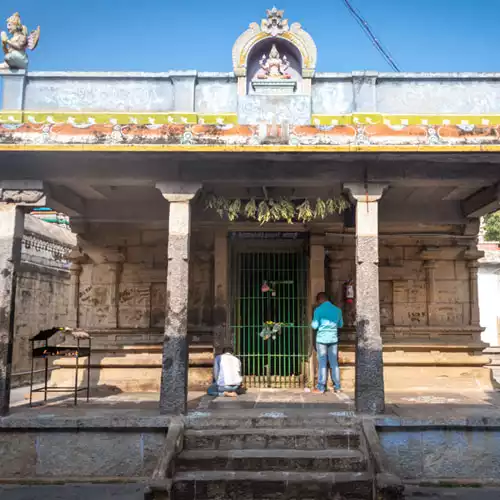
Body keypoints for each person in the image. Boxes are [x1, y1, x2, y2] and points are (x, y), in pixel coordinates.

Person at [311, 292, 343, 394]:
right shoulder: (337, 310)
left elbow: (315, 326)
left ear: (320, 299)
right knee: (334, 363)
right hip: (333, 339)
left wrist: (312, 323)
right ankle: (337, 387)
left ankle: (321, 387)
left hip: (321, 340)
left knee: (322, 363)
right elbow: (341, 325)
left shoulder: (318, 310)